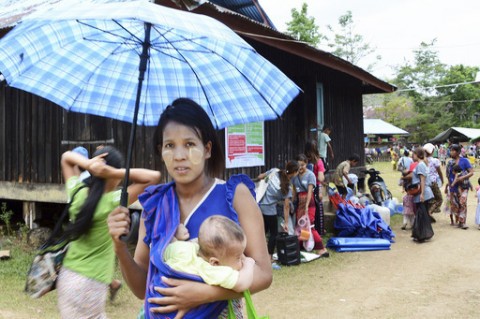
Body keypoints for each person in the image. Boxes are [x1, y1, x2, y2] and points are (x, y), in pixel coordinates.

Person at [107, 98, 272, 319]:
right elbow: (141, 289)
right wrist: (119, 248)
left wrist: (206, 294)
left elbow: (263, 273)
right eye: (169, 145)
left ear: (207, 149)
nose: (179, 156)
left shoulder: (235, 196)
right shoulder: (156, 205)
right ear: (161, 151)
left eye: (189, 144)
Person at [57, 146, 161, 318]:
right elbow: (153, 177)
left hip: (67, 277)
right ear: (113, 177)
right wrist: (114, 171)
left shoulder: (77, 193)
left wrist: (89, 164)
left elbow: (66, 157)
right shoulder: (112, 202)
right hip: (91, 282)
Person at [71, 145, 123, 302]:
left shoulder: (85, 178)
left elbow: (67, 158)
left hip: (87, 222)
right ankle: (113, 283)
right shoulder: (87, 177)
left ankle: (112, 284)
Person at [164, 216, 255, 293]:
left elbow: (163, 247)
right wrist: (249, 263)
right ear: (215, 262)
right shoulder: (212, 271)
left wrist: (176, 233)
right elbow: (242, 284)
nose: (243, 259)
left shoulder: (182, 249)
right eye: (238, 257)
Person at [257, 161, 299, 269]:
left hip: (258, 205)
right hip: (270, 209)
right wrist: (286, 222)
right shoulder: (286, 187)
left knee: (263, 232)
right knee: (273, 234)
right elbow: (286, 207)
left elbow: (260, 176)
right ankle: (269, 259)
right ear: (294, 172)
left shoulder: (274, 171)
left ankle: (259, 257)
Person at [291, 154, 329, 257]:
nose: (300, 168)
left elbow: (309, 192)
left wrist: (307, 206)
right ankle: (301, 246)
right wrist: (291, 203)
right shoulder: (295, 176)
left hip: (309, 202)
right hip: (299, 203)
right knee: (301, 226)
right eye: (298, 165)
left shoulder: (310, 175)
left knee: (310, 225)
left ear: (306, 164)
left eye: (302, 165)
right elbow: (294, 193)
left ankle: (322, 249)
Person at [445, 144, 474, 229]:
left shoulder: (465, 161)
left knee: (463, 203)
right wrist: (449, 187)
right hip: (453, 187)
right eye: (450, 150)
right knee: (455, 204)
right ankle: (458, 219)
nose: (451, 152)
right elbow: (448, 175)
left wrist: (462, 177)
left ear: (457, 152)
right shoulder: (450, 163)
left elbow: (471, 172)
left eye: (453, 150)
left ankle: (462, 222)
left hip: (463, 186)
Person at [410, 147, 434, 243]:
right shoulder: (423, 164)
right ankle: (420, 234)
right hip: (423, 192)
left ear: (418, 155)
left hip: (422, 193)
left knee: (421, 214)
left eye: (414, 154)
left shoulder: (420, 165)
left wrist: (422, 194)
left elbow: (422, 180)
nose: (413, 156)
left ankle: (422, 234)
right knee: (421, 214)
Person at [304, 139, 326, 235]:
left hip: (303, 189)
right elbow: (320, 178)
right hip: (315, 188)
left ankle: (304, 232)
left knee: (304, 210)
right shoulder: (318, 161)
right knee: (317, 210)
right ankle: (318, 231)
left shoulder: (302, 160)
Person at [423, 143, 444, 221]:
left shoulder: (422, 160)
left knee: (428, 199)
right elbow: (439, 172)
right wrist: (442, 180)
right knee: (439, 199)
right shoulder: (435, 160)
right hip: (433, 182)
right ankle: (430, 212)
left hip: (425, 182)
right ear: (432, 152)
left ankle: (428, 213)